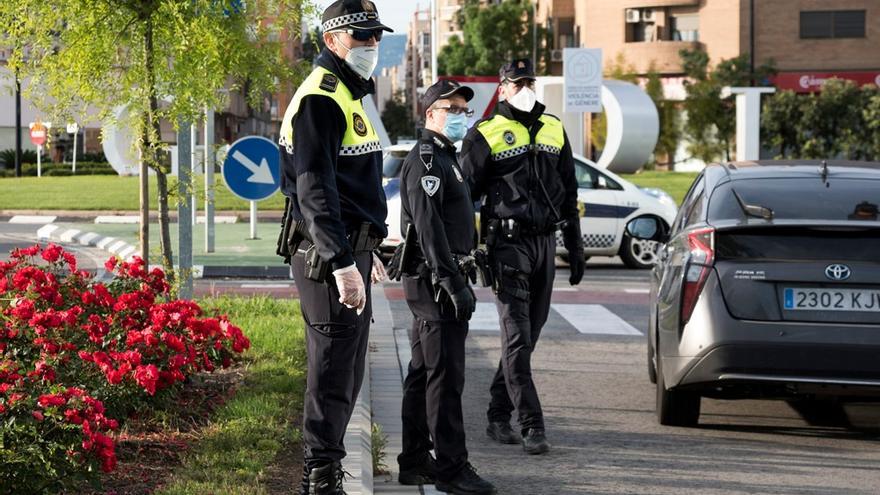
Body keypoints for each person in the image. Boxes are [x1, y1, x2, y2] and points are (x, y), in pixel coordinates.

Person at [276, 1, 391, 493]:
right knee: (331, 369)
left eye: (375, 37)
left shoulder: (348, 95)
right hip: (326, 257)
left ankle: (328, 465)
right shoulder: (320, 98)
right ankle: (319, 477)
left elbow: (352, 187)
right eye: (361, 36)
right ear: (331, 40)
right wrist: (343, 261)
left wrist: (370, 250)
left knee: (347, 368)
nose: (371, 45)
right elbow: (314, 189)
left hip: (348, 250)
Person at [459, 58, 585, 456]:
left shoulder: (553, 127)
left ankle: (498, 413)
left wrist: (575, 245)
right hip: (506, 246)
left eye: (529, 81)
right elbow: (464, 197)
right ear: (503, 88)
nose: (525, 87)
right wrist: (464, 251)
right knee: (516, 336)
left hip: (545, 243)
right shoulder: (486, 132)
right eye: (517, 82)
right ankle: (531, 424)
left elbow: (569, 190)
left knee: (528, 337)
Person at [389, 79, 497, 495]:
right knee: (446, 378)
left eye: (463, 110)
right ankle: (452, 469)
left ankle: (415, 461)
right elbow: (428, 226)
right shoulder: (427, 158)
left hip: (439, 279)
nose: (460, 116)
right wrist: (452, 282)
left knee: (423, 373)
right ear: (431, 113)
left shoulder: (447, 156)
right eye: (451, 109)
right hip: (435, 283)